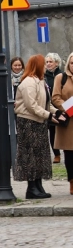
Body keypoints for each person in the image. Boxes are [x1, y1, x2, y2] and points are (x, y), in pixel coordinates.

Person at [14, 54, 59, 199]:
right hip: (28, 122)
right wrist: (49, 115)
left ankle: (38, 185)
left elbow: (46, 102)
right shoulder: (28, 82)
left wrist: (56, 112)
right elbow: (31, 105)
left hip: (39, 122)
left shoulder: (40, 81)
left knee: (40, 155)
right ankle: (31, 188)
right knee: (30, 156)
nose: (46, 66)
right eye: (43, 64)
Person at [51, 51, 73, 194]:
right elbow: (56, 97)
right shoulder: (61, 78)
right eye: (72, 62)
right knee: (70, 155)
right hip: (69, 122)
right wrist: (70, 108)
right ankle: (72, 181)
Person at [45, 53, 63, 163]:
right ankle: (56, 154)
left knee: (64, 130)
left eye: (50, 62)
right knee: (52, 132)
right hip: (49, 107)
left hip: (62, 106)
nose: (48, 64)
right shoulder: (44, 76)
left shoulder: (62, 75)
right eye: (47, 62)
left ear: (56, 63)